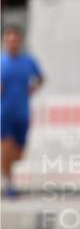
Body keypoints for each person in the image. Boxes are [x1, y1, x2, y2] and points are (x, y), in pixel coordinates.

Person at [1, 25, 44, 197]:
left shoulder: (28, 61)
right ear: (5, 41)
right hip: (3, 114)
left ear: (20, 42)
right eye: (10, 40)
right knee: (6, 149)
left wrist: (33, 88)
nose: (13, 43)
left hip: (23, 113)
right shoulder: (1, 62)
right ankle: (9, 184)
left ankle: (6, 167)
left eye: (16, 40)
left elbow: (40, 78)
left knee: (18, 155)